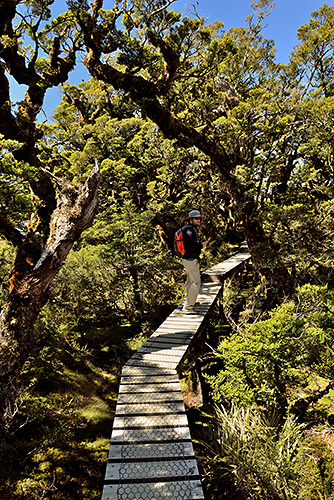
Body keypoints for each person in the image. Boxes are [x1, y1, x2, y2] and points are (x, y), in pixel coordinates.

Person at [181, 209, 207, 313]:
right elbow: (192, 246)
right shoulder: (189, 230)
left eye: (199, 218)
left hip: (187, 259)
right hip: (190, 259)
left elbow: (189, 244)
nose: (198, 220)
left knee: (190, 282)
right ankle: (187, 307)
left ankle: (190, 301)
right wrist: (201, 245)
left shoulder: (189, 229)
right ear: (191, 219)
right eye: (196, 218)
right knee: (196, 282)